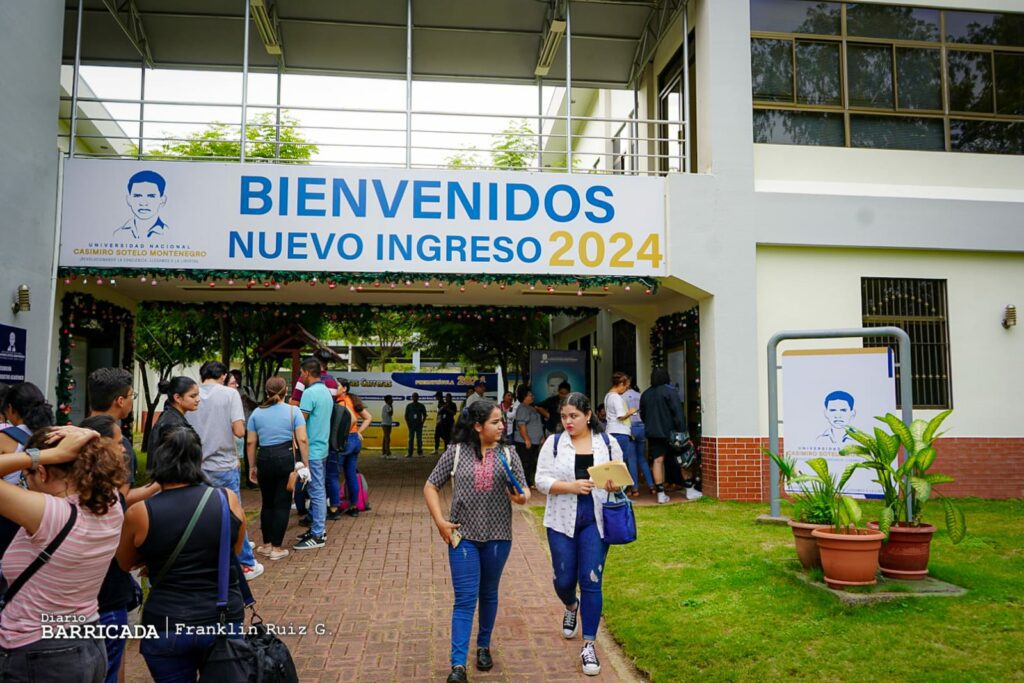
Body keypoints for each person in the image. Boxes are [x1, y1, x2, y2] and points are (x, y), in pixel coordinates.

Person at [117, 426, 247, 682]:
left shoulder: (140, 512)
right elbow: (235, 549)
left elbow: (124, 562)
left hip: (167, 623)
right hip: (221, 618)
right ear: (199, 459)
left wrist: (153, 558)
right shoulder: (226, 499)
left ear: (158, 459)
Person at [0, 424, 126, 681]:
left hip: (39, 651)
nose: (27, 486)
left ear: (43, 472)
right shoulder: (110, 505)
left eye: (27, 478)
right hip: (88, 640)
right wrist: (82, 438)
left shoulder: (50, 515)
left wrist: (42, 455)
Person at [424, 400, 529, 683]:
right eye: (495, 422)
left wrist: (520, 496)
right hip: (463, 537)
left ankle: (483, 646)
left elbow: (523, 493)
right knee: (465, 599)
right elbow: (431, 485)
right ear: (478, 426)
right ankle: (458, 666)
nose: (502, 426)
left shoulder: (508, 453)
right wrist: (440, 521)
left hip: (498, 537)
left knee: (489, 592)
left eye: (502, 421)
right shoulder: (456, 452)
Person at [535, 392, 623, 677]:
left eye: (573, 416)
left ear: (588, 415)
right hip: (561, 520)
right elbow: (540, 480)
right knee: (564, 580)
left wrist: (614, 486)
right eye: (564, 416)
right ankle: (571, 605)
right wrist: (570, 486)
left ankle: (589, 645)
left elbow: (621, 479)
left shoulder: (608, 443)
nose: (568, 421)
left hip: (596, 521)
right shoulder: (555, 442)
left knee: (591, 580)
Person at [185, 361, 262, 579]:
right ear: (223, 375)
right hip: (223, 464)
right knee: (233, 513)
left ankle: (205, 561)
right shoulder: (230, 395)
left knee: (200, 514)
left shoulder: (191, 394)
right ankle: (246, 562)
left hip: (197, 464)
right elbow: (239, 431)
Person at [246, 377, 309, 561]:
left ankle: (265, 545)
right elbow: (302, 440)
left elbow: (251, 442)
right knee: (282, 503)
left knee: (267, 503)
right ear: (286, 391)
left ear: (266, 392)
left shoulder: (257, 413)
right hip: (285, 457)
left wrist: (251, 466)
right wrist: (306, 463)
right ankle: (276, 548)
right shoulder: (293, 411)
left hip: (264, 457)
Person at [294, 357, 333, 550]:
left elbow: (301, 423)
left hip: (312, 450)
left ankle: (318, 534)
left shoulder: (309, 393)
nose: (301, 377)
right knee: (317, 489)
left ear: (307, 373)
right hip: (322, 447)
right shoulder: (326, 391)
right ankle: (318, 529)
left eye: (301, 373)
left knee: (316, 491)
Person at [639, 368, 685, 505]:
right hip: (672, 432)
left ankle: (660, 493)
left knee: (657, 461)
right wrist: (682, 430)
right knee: (682, 458)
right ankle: (689, 488)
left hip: (653, 433)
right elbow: (678, 413)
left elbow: (643, 414)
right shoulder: (670, 392)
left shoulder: (646, 394)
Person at [327, 378, 371, 519]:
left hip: (345, 442)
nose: (334, 388)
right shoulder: (353, 400)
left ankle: (334, 508)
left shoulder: (342, 402)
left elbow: (352, 419)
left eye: (337, 386)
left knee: (333, 474)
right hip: (354, 441)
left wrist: (341, 434)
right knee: (350, 474)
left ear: (344, 388)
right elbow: (368, 418)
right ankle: (354, 507)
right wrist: (358, 432)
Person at [87, 367, 138, 488]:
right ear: (120, 401)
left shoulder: (77, 433)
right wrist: (156, 486)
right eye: (132, 395)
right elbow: (122, 497)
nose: (132, 399)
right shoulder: (119, 443)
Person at [0, 382, 54, 486]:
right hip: (45, 499)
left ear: (11, 409)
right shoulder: (53, 435)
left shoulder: (4, 438)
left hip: (14, 500)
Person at [604, 372, 641, 497]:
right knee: (620, 464)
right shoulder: (616, 398)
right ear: (620, 384)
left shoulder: (608, 396)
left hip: (611, 431)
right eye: (626, 386)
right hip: (620, 432)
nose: (626, 389)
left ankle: (614, 492)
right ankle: (619, 493)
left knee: (613, 463)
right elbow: (620, 416)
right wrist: (631, 412)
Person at [147, 376, 200, 459]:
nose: (198, 399)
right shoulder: (173, 425)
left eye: (197, 395)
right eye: (192, 396)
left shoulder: (172, 417)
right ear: (177, 398)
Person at [115, 169, 169, 239]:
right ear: (129, 199)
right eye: (137, 196)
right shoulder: (118, 234)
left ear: (162, 200)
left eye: (151, 196)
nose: (143, 203)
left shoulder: (168, 233)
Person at [623, 381, 655, 497]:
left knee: (632, 459)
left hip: (631, 427)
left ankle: (635, 488)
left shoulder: (623, 397)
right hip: (642, 427)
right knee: (642, 458)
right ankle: (652, 486)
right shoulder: (640, 395)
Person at [512, 385, 543, 488]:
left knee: (531, 463)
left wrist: (541, 436)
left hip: (535, 441)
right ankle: (522, 485)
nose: (532, 397)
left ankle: (529, 483)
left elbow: (538, 423)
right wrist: (526, 439)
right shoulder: (522, 408)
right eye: (530, 395)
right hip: (524, 442)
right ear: (524, 397)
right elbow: (521, 425)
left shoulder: (532, 408)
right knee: (524, 463)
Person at [405, 392, 427, 458]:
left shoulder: (421, 405)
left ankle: (420, 453)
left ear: (418, 397)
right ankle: (409, 453)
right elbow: (406, 416)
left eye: (416, 396)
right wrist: (408, 423)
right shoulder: (409, 406)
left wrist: (422, 423)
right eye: (413, 396)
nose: (415, 398)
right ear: (412, 397)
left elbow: (425, 415)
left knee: (419, 439)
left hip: (418, 425)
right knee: (411, 439)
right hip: (411, 425)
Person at [381, 395, 395, 459]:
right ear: (388, 400)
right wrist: (392, 406)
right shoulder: (387, 406)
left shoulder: (386, 406)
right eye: (391, 399)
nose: (392, 400)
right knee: (387, 439)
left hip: (386, 424)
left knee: (385, 438)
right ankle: (388, 454)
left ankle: (384, 453)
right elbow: (391, 413)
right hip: (386, 424)